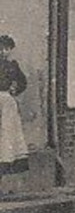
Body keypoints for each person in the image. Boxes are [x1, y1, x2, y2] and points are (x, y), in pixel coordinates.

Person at [0, 35, 29, 175]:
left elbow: (23, 82)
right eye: (1, 48)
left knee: (7, 133)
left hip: (6, 103)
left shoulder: (12, 65)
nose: (3, 52)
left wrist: (14, 90)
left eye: (6, 49)